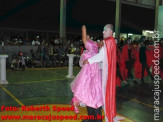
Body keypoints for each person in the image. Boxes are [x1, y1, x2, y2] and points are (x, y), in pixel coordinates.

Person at [83, 24, 124, 122]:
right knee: (104, 96)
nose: (103, 32)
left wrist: (89, 60)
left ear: (110, 32)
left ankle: (100, 118)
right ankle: (107, 115)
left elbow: (101, 56)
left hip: (103, 74)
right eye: (103, 30)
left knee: (99, 96)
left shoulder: (107, 42)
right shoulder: (112, 41)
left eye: (105, 30)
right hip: (106, 72)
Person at [70, 25, 103, 122]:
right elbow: (84, 36)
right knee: (89, 89)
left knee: (92, 90)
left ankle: (94, 118)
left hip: (94, 69)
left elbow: (100, 49)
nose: (88, 36)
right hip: (91, 69)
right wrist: (83, 28)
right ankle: (91, 118)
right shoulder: (88, 44)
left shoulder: (94, 44)